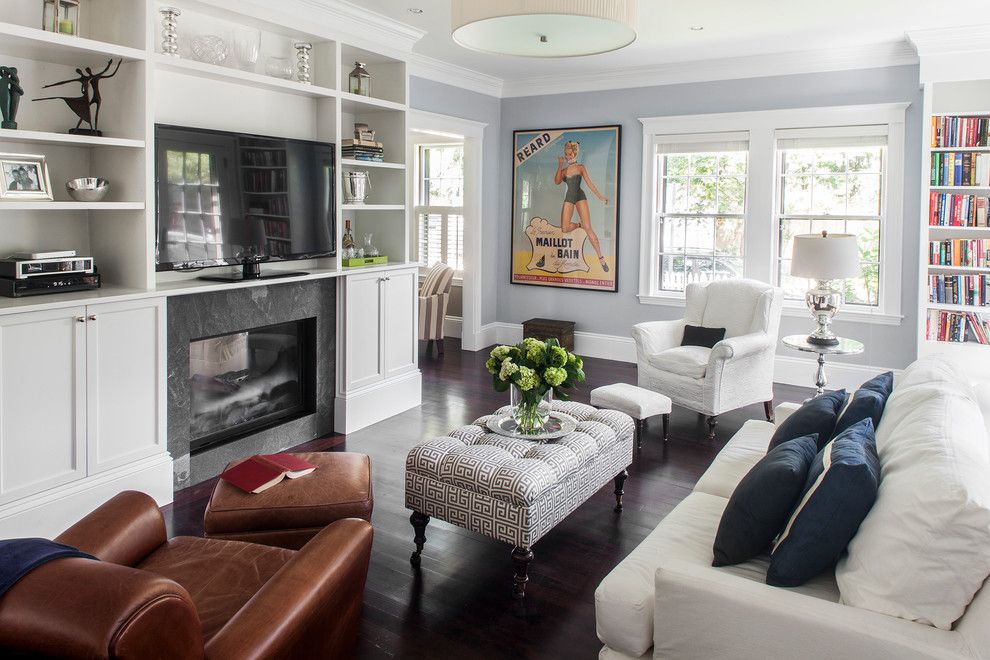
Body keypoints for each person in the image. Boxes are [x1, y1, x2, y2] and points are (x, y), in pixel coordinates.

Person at [554, 140, 610, 272]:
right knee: (565, 228)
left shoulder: (581, 167)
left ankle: (601, 258)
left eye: (570, 154)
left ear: (575, 154)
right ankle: (579, 225)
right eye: (567, 154)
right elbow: (556, 181)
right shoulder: (564, 170)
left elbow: (590, 184)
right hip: (569, 197)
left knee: (589, 228)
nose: (568, 157)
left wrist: (600, 196)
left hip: (580, 196)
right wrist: (560, 164)